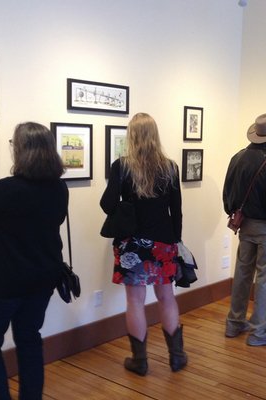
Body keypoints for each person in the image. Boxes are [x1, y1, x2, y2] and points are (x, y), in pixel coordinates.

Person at [0, 122, 68, 399]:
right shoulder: (59, 188)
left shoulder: (6, 189)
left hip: (3, 281)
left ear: (21, 150)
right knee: (29, 338)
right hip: (42, 277)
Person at [100, 112, 187, 375]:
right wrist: (176, 241)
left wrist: (127, 205)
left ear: (132, 136)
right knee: (167, 298)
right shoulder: (170, 167)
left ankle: (140, 361)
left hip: (132, 244)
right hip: (164, 241)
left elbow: (106, 204)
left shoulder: (122, 166)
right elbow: (177, 210)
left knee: (135, 302)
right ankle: (176, 356)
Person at [223, 112, 266, 346]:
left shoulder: (238, 157)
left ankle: (234, 323)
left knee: (242, 273)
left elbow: (228, 193)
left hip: (245, 225)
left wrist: (233, 212)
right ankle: (260, 332)